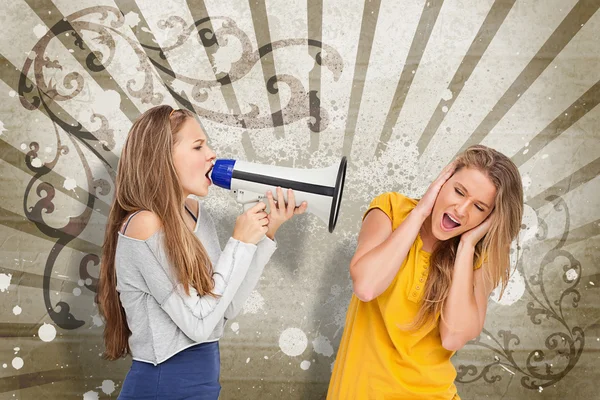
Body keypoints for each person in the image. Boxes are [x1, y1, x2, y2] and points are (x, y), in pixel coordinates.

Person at [96, 105, 307, 399]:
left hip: (203, 386)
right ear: (162, 158)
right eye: (198, 146)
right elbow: (197, 325)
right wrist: (240, 242)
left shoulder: (195, 212)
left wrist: (265, 233)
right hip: (162, 388)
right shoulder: (144, 225)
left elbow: (224, 308)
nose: (211, 154)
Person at [327, 145, 523, 399]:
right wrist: (420, 212)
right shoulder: (391, 210)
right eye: (458, 191)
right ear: (442, 181)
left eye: (479, 207)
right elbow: (366, 286)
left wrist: (467, 245)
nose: (461, 210)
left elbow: (453, 337)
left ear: (490, 218)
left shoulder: (482, 258)